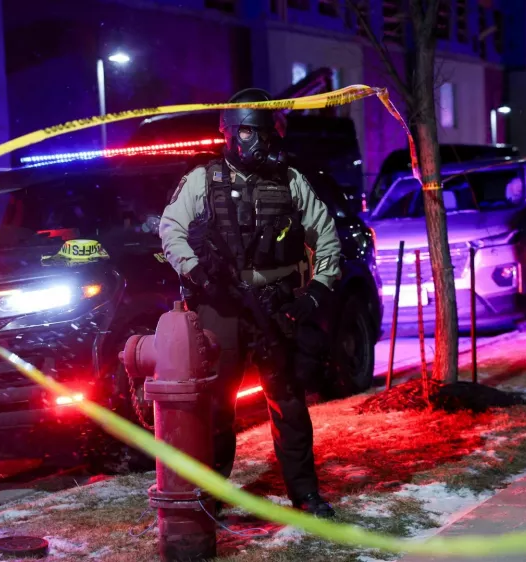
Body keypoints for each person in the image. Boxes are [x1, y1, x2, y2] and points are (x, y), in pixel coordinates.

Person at [159, 87, 340, 518]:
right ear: (229, 133)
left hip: (276, 303)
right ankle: (211, 494)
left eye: (264, 133)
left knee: (289, 401)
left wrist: (317, 291)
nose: (258, 143)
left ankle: (305, 493)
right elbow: (171, 229)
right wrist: (199, 274)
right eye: (248, 133)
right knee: (217, 403)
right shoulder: (203, 179)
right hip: (222, 305)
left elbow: (325, 234)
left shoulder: (290, 180)